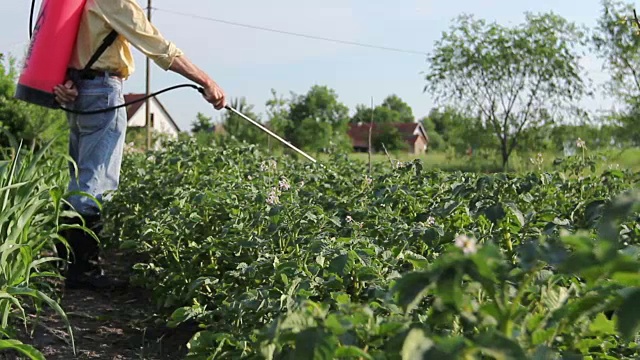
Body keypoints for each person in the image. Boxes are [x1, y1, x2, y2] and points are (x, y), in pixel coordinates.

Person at [52, 0, 227, 290]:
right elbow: (157, 46)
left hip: (78, 89)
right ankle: (84, 272)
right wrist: (206, 80)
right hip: (102, 91)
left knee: (81, 178)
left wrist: (67, 80)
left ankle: (68, 265)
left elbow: (65, 48)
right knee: (96, 182)